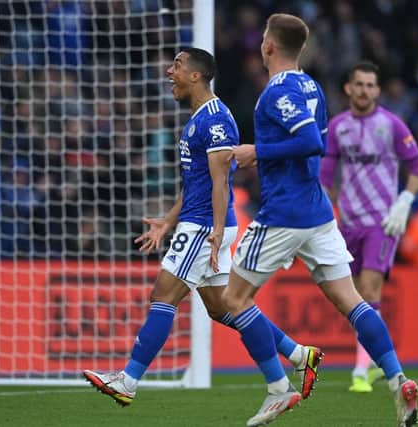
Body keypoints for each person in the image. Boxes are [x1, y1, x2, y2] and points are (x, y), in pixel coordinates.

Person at [82, 47, 318, 408]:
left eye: (177, 65)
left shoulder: (216, 119)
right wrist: (167, 221)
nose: (168, 71)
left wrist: (217, 230)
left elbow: (221, 182)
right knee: (223, 307)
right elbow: (195, 183)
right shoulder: (198, 118)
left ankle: (128, 381)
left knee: (164, 295)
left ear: (196, 75)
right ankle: (298, 354)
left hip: (205, 226)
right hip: (200, 222)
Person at [226, 14, 418, 427]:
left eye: (263, 38)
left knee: (233, 299)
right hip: (317, 214)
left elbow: (313, 142)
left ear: (269, 47)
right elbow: (317, 139)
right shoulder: (311, 85)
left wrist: (256, 151)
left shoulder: (276, 92)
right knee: (354, 303)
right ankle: (397, 379)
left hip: (283, 213)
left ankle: (279, 389)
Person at [319, 61, 418, 393]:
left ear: (378, 91)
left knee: (369, 292)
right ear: (348, 89)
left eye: (370, 85)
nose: (364, 90)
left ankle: (360, 371)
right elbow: (325, 174)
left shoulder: (392, 125)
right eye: (359, 84)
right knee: (354, 298)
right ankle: (380, 360)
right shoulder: (338, 127)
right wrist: (326, 210)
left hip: (382, 222)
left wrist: (403, 202)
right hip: (347, 224)